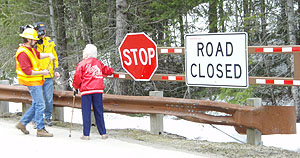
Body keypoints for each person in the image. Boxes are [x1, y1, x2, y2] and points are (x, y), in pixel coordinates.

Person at [15, 27, 55, 137]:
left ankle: (22, 123)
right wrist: (43, 73)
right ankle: (40, 129)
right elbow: (27, 72)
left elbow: (38, 55)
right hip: (31, 81)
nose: (36, 41)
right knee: (41, 104)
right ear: (29, 40)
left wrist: (48, 54)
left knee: (37, 104)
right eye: (34, 39)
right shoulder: (23, 53)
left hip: (35, 81)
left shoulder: (30, 49)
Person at [72, 44, 114, 140]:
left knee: (86, 111)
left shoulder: (82, 64)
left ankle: (86, 134)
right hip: (98, 90)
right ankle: (103, 133)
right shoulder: (98, 63)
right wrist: (112, 71)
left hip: (86, 90)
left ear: (87, 54)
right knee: (98, 111)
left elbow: (77, 77)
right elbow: (107, 70)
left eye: (84, 52)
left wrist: (75, 87)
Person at [31, 22, 61, 127]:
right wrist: (34, 42)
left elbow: (56, 57)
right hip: (37, 75)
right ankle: (36, 119)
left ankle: (47, 117)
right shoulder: (33, 43)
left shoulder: (50, 42)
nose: (42, 33)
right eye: (40, 31)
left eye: (43, 31)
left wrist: (57, 69)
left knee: (48, 99)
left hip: (48, 75)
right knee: (37, 99)